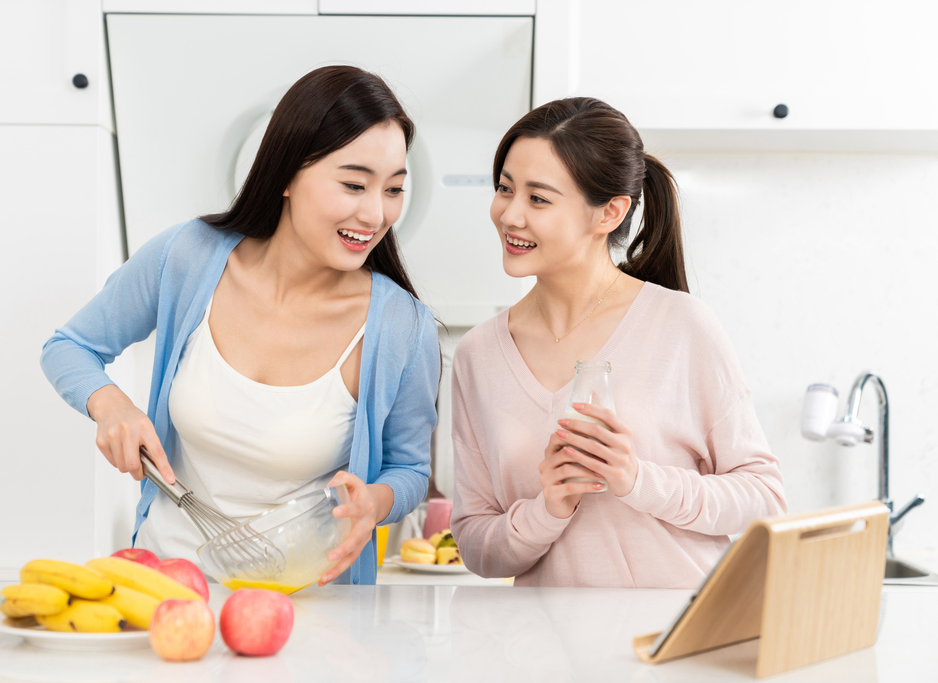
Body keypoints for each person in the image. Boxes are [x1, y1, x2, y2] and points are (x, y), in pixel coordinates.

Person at [41, 66, 439, 587]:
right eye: (354, 184)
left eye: (393, 189)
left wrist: (375, 503)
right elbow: (69, 347)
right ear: (289, 174)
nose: (375, 213)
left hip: (307, 602)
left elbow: (409, 470)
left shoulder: (403, 327)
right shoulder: (187, 258)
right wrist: (110, 403)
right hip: (166, 585)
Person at [449, 98, 786, 588]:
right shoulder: (478, 356)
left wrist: (637, 480)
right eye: (505, 189)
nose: (510, 215)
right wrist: (547, 511)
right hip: (549, 658)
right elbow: (479, 548)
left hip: (674, 643)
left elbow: (762, 496)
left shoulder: (682, 326)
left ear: (609, 212)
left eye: (538, 199)